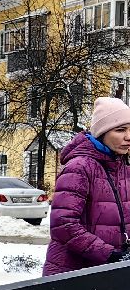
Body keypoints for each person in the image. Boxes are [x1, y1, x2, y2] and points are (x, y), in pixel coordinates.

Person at [44, 96, 130, 276]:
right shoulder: (79, 167)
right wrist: (109, 255)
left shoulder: (123, 168)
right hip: (74, 274)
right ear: (102, 133)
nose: (128, 137)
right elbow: (63, 224)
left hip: (110, 273)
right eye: (120, 130)